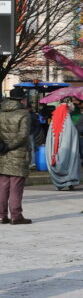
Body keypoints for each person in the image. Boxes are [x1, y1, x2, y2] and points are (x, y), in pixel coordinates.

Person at [0, 90, 32, 224]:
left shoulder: (1, 113)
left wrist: (3, 146)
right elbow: (23, 135)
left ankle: (1, 216)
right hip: (18, 154)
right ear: (21, 100)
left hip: (2, 154)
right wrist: (10, 145)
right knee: (16, 186)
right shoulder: (23, 114)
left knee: (3, 186)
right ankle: (16, 215)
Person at [46, 99, 82, 191]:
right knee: (69, 160)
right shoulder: (67, 121)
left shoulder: (55, 120)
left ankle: (60, 183)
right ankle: (69, 182)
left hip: (57, 149)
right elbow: (71, 135)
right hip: (67, 149)